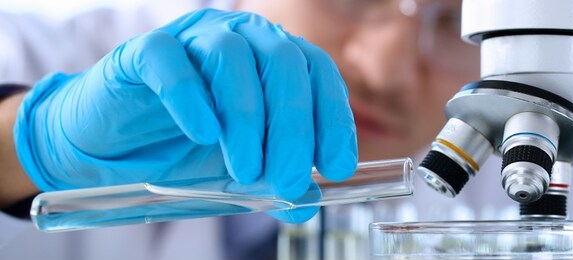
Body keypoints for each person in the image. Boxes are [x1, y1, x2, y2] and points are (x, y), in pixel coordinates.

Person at [0, 0, 524, 259]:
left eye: (455, 20)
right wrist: (26, 146)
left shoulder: (519, 176)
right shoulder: (51, 54)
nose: (386, 71)